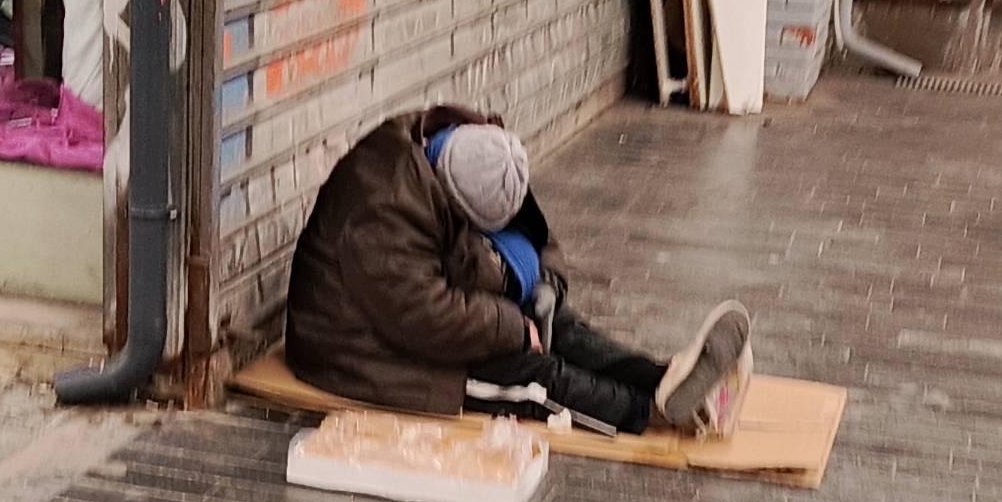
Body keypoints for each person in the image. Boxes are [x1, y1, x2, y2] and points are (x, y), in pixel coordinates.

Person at [285, 105, 753, 437]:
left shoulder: (481, 155)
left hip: (425, 302)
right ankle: (651, 413)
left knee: (559, 325)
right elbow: (424, 318)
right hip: (362, 351)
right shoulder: (382, 213)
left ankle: (663, 380)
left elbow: (532, 233)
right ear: (454, 202)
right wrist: (512, 327)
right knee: (531, 377)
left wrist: (546, 285)